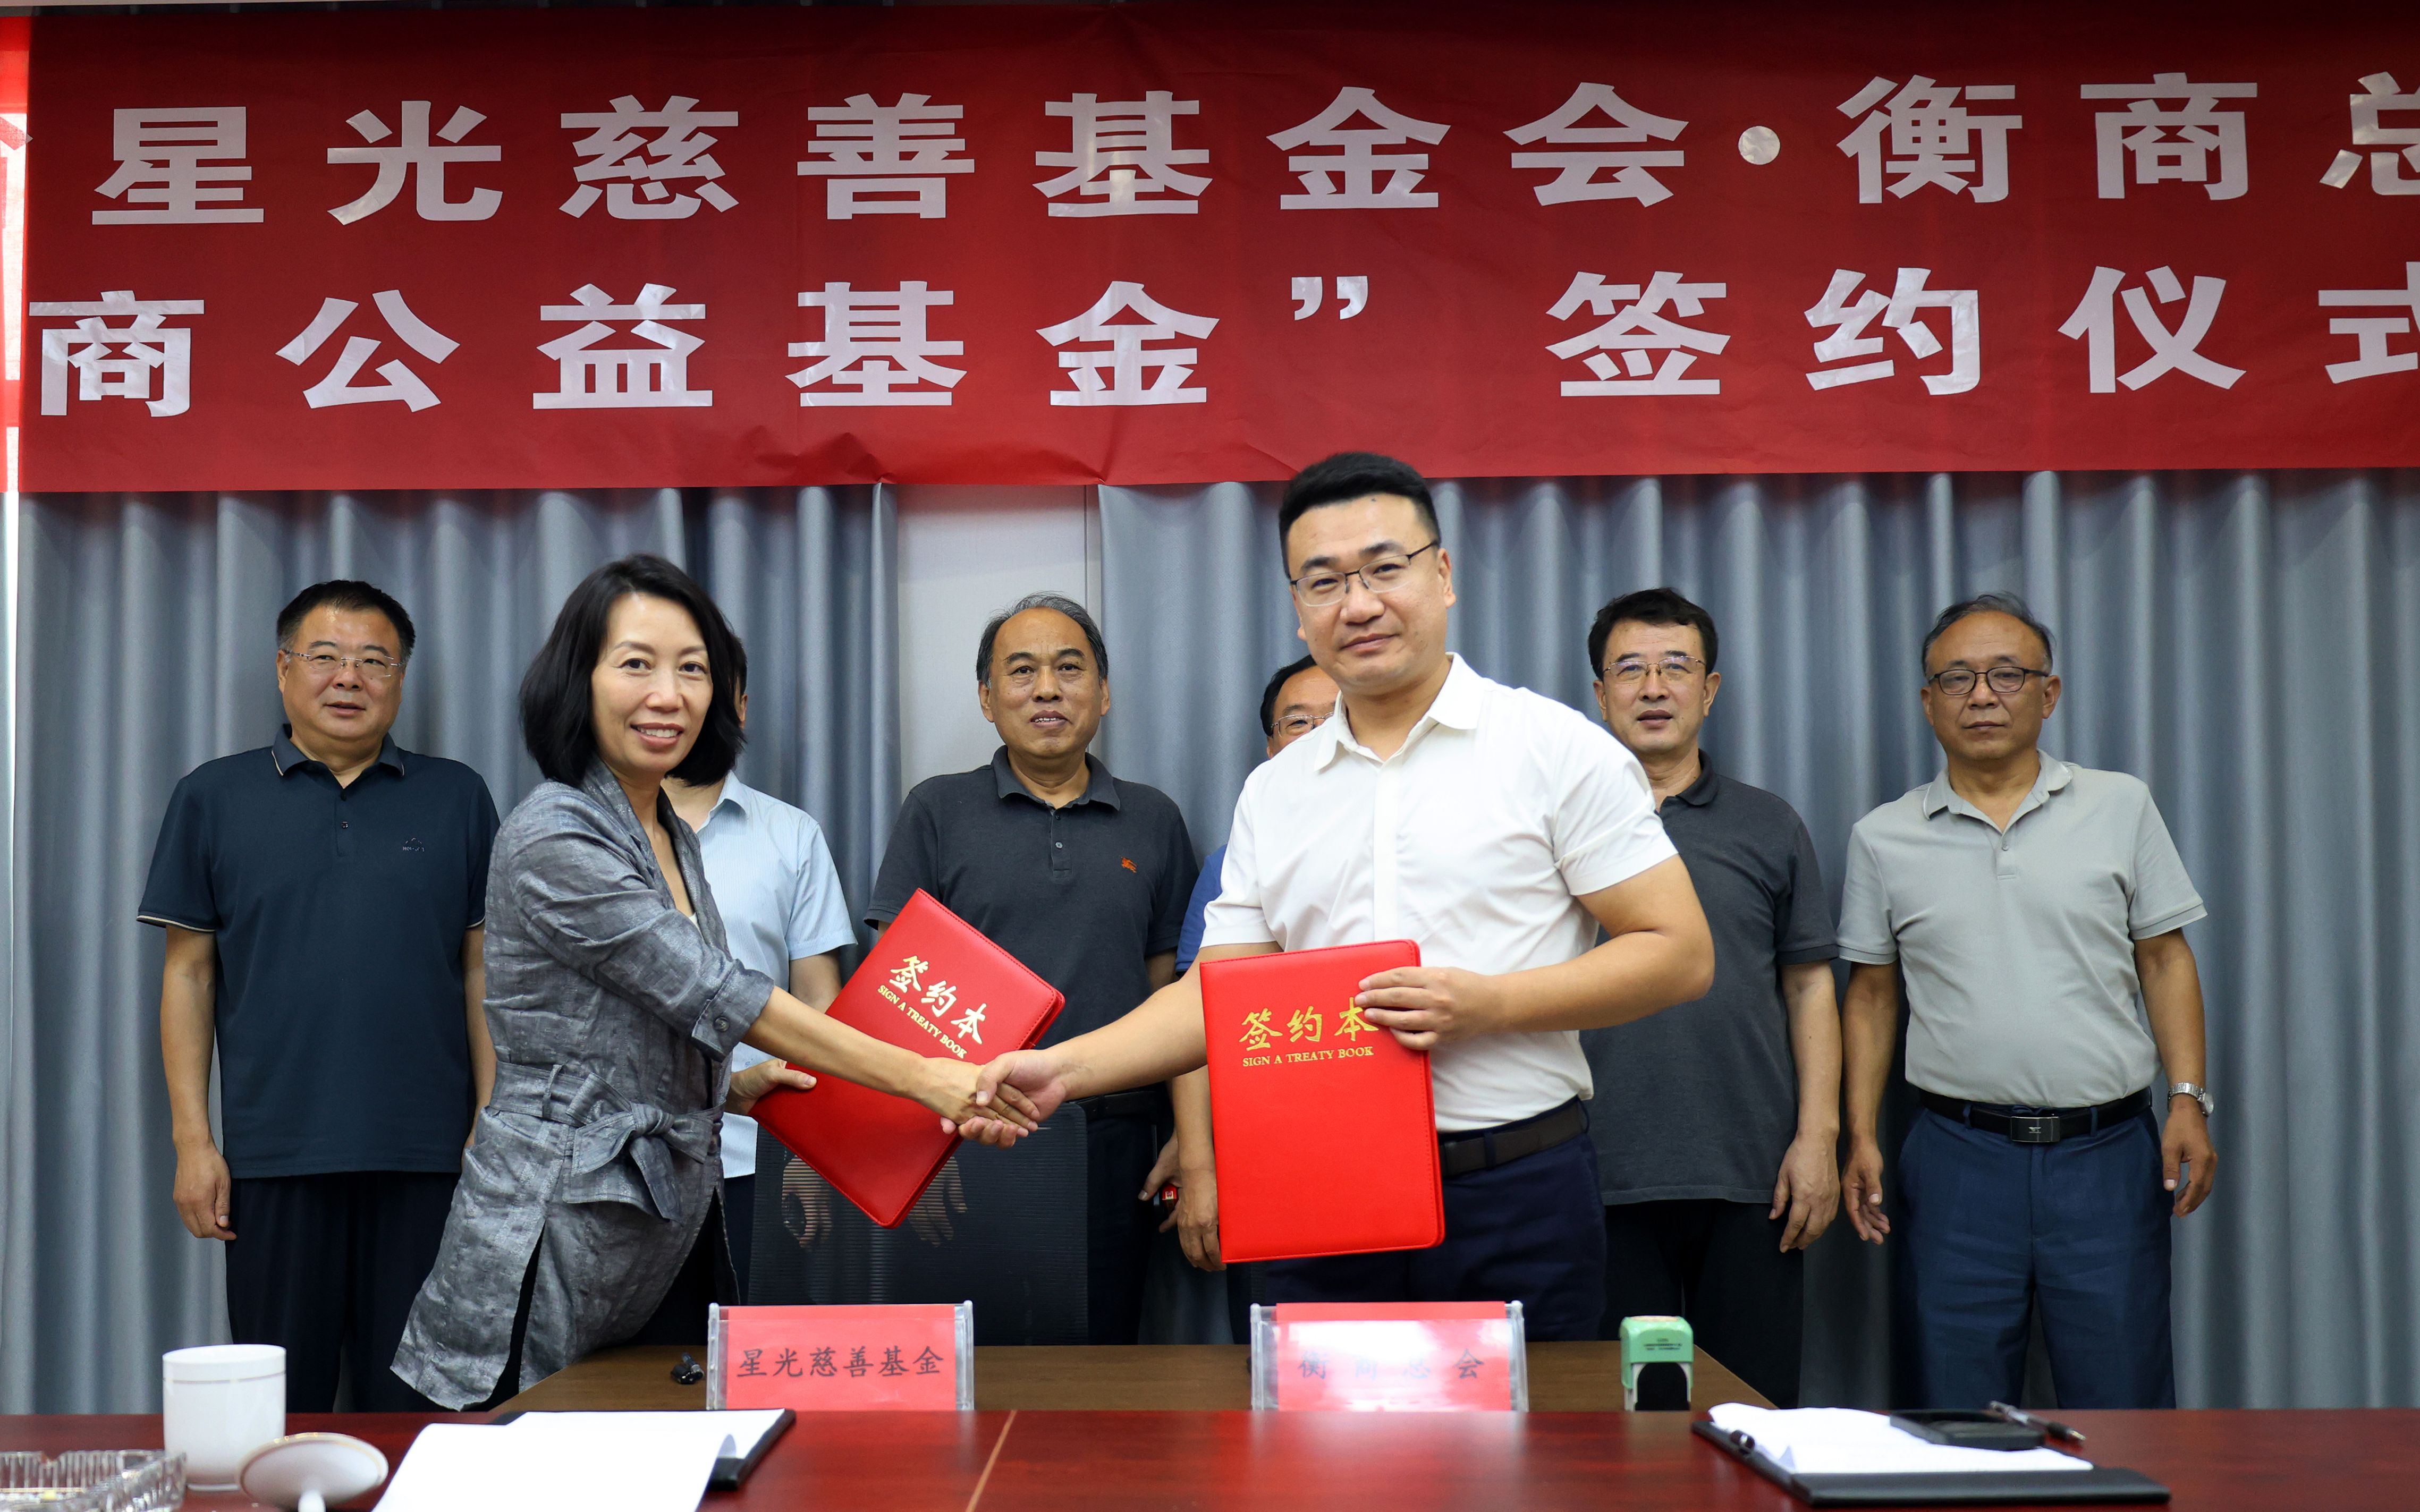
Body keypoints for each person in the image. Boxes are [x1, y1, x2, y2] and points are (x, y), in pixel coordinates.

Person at [958, 453, 1714, 1340]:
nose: (1356, 604)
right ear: (1297, 605)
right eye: (1323, 581)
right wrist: (1063, 1070)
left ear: (1441, 575)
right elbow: (1218, 996)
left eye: (1384, 568)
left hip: (1513, 1186)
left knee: (1522, 1435)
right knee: (1315, 1433)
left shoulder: (1552, 748)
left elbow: (1677, 952)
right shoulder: (1276, 791)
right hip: (1317, 1188)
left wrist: (1490, 1004)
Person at [392, 555, 1029, 1408]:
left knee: (680, 1447)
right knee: (545, 1454)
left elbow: (628, 1030)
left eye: (692, 669)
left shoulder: (667, 830)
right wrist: (925, 1076)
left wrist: (734, 1087)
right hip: (551, 1225)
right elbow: (719, 993)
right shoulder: (556, 833)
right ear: (576, 680)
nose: (669, 694)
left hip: (668, 1219)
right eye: (637, 664)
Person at [1837, 592, 2216, 1408]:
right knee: (1953, 1411)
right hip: (1955, 1157)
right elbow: (1869, 995)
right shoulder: (1882, 836)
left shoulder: (2119, 805)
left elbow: (2164, 957)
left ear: (2048, 694)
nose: (1981, 695)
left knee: (2122, 1402)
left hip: (2106, 1154)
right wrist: (1859, 1133)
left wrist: (2187, 1099)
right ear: (1927, 701)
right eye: (1957, 678)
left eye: (2006, 674)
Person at [140, 580, 501, 1412]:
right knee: (279, 1414)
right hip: (273, 1161)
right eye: (326, 656)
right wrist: (194, 1143)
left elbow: (485, 971)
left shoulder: (458, 796)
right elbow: (188, 974)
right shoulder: (211, 796)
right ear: (282, 669)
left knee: (420, 1411)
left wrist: (489, 1122)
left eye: (375, 660)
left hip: (430, 1162)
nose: (349, 678)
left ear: (401, 679)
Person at [867, 592, 1198, 1345]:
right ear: (987, 698)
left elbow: (1176, 994)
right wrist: (919, 1146)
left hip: (1115, 1141)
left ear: (1103, 693)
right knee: (965, 1358)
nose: (1047, 688)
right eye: (1021, 671)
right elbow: (893, 992)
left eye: (1068, 668)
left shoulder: (1153, 817)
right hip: (967, 1135)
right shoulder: (936, 809)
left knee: (1098, 1354)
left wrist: (1191, 1137)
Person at [1579, 587, 1839, 1408]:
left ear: (1710, 688)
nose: (1653, 687)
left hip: (1752, 1176)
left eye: (1675, 667)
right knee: (1615, 1429)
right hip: (1594, 1174)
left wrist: (1818, 1138)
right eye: (1630, 669)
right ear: (1600, 694)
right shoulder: (1556, 827)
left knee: (1752, 1418)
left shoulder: (1768, 824)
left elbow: (1809, 985)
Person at [1150, 653, 1338, 1331]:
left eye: (1336, 717)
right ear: (1270, 745)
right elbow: (1201, 1014)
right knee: (1282, 1360)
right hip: (1268, 1158)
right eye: (1298, 721)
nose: (1318, 735)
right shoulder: (1233, 862)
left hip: (1401, 1153)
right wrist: (1200, 1162)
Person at [663, 638, 855, 1301]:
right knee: (630, 1363)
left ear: (739, 707)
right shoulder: (587, 836)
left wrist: (808, 1149)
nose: (684, 700)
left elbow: (819, 1007)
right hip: (621, 1165)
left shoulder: (791, 834)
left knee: (754, 1348)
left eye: (705, 680)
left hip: (753, 1156)